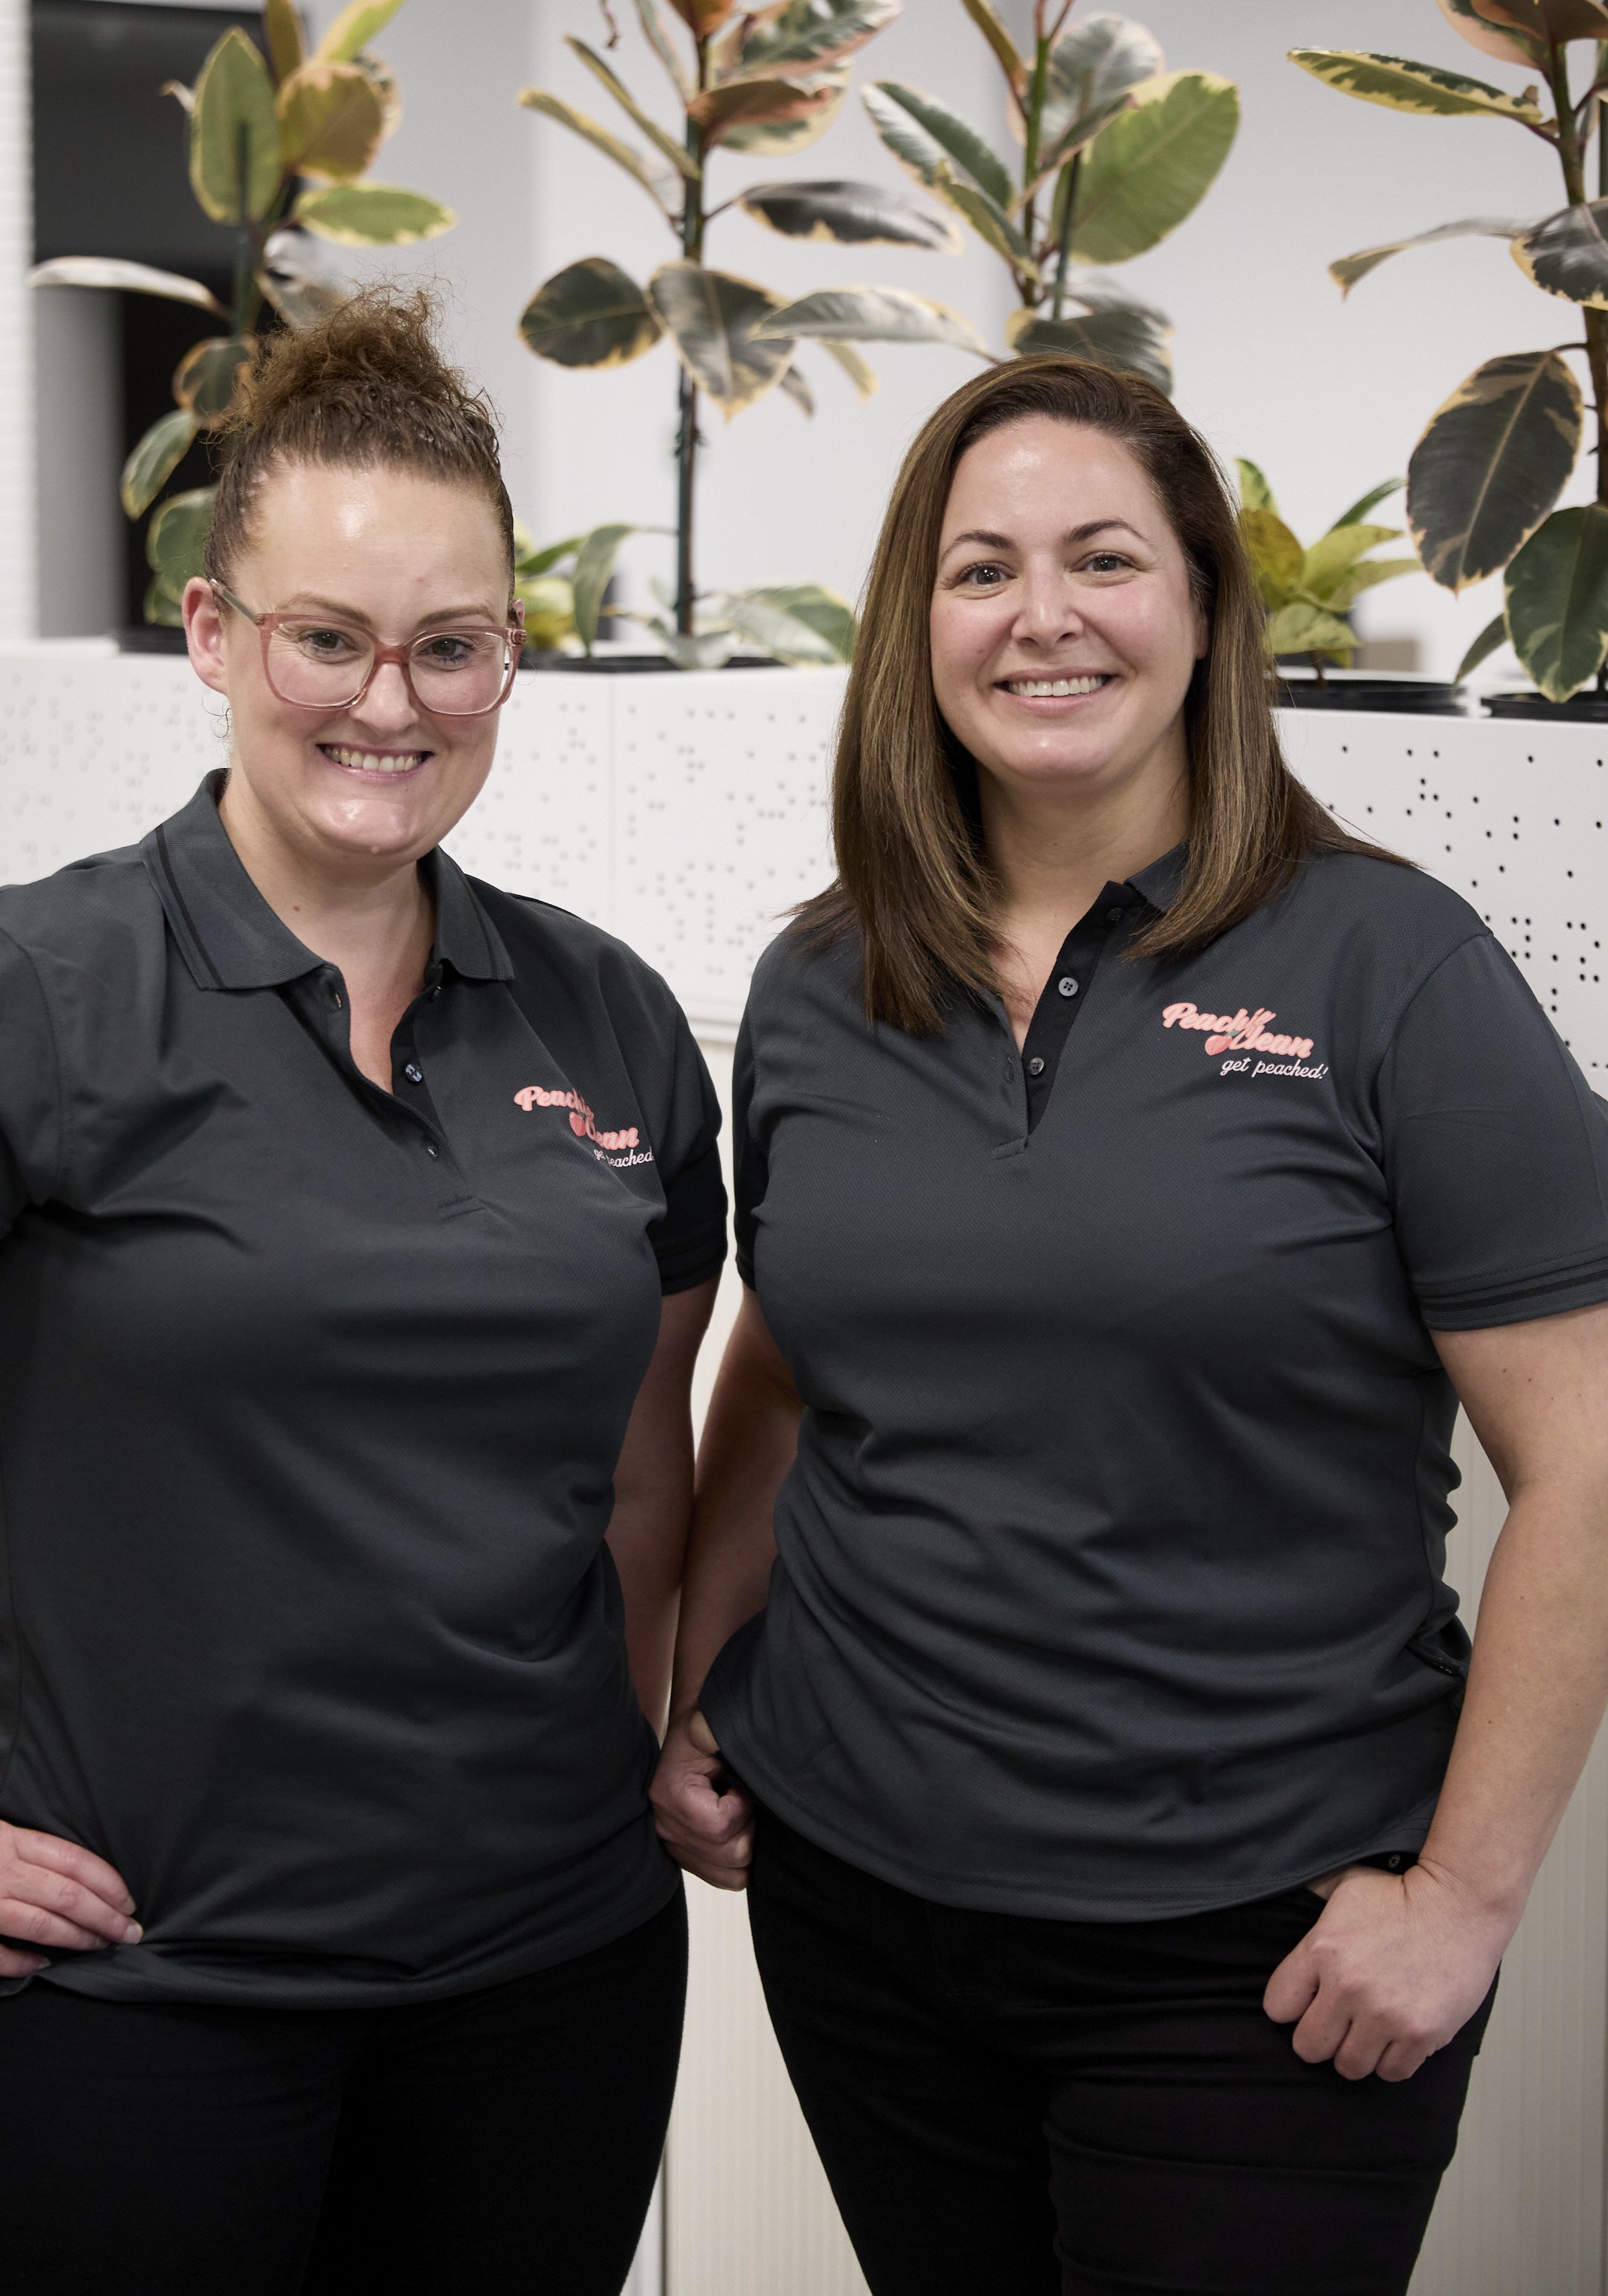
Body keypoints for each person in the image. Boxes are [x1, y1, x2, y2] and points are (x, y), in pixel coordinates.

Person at [652, 354, 1608, 2296]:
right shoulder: (823, 983)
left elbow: (1588, 1451)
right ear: (916, 624)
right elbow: (791, 1357)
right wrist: (701, 1681)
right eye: (981, 568)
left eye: (1103, 558)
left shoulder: (1390, 965)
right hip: (861, 1904)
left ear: (1203, 604)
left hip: (1256, 1940)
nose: (1045, 616)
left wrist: (1463, 1900)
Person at [0, 292, 726, 2296]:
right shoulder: (23, 1002)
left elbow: (641, 1467)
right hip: (131, 2005)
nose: (391, 701)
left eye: (452, 645)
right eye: (329, 637)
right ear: (217, 636)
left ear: (509, 655)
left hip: (543, 1996)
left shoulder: (611, 1022)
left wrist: (642, 1741)